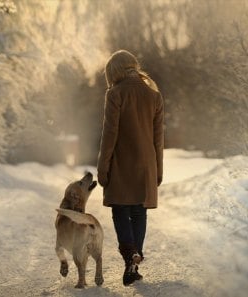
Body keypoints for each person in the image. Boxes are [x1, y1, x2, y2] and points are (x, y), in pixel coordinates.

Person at [97, 49, 164, 286]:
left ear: (114, 72)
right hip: (146, 164)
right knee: (138, 212)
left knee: (120, 211)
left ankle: (129, 256)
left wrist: (103, 167)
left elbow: (109, 134)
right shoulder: (153, 95)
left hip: (122, 162)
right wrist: (158, 170)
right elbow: (158, 139)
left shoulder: (115, 94)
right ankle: (133, 263)